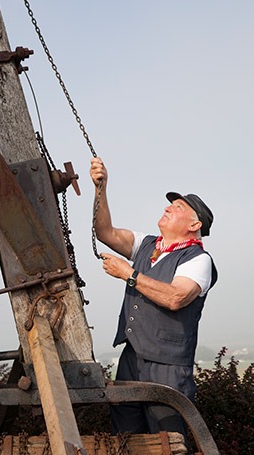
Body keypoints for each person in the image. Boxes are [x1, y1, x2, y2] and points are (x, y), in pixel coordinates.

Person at [90, 156, 218, 439]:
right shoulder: (147, 245)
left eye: (177, 207)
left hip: (168, 367)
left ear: (195, 224)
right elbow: (105, 232)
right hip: (131, 358)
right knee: (125, 438)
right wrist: (101, 188)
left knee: (167, 440)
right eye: (170, 204)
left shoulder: (199, 260)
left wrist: (129, 274)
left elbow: (176, 297)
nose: (167, 207)